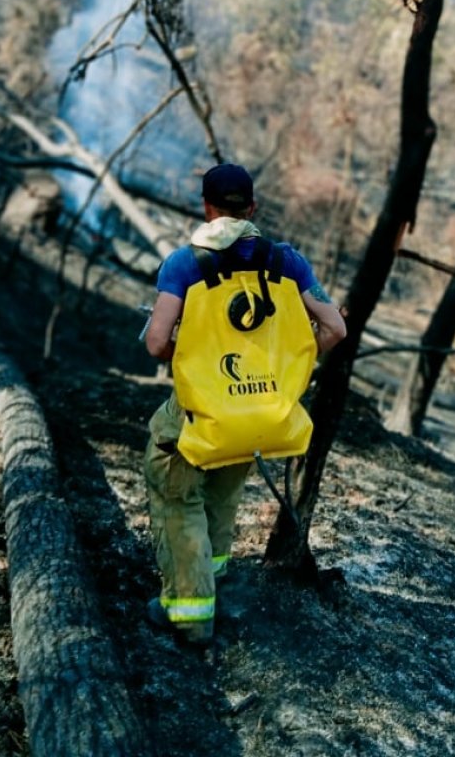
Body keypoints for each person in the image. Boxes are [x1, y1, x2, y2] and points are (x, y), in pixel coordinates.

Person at [143, 163, 346, 646]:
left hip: (205, 409)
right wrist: (289, 370)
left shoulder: (184, 264)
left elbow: (155, 343)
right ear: (251, 208)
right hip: (260, 412)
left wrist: (192, 360)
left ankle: (190, 613)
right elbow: (335, 328)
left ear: (206, 208)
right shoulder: (287, 262)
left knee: (173, 488)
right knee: (223, 489)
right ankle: (212, 578)